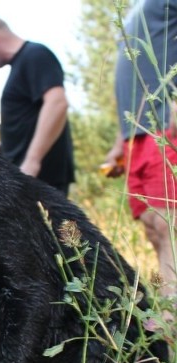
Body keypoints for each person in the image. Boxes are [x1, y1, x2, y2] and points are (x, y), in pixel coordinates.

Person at [103, 0, 177, 300]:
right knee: (154, 228)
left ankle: (171, 327)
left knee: (169, 226)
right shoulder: (136, 9)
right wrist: (121, 141)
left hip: (163, 126)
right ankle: (167, 319)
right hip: (137, 135)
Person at [0, 17, 75, 196]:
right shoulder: (21, 65)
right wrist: (4, 146)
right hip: (24, 176)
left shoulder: (35, 55)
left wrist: (32, 161)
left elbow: (57, 103)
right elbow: (29, 122)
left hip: (40, 178)